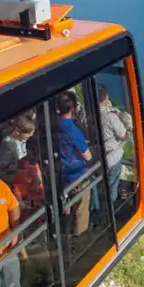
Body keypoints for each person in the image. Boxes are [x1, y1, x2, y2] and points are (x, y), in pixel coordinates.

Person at [55, 91, 92, 236]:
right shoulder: (73, 130)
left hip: (62, 173)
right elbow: (87, 156)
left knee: (67, 206)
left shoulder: (55, 125)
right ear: (73, 109)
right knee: (81, 210)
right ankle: (79, 237)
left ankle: (64, 231)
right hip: (77, 176)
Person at [95, 83, 133, 210]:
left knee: (97, 184)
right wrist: (128, 128)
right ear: (105, 98)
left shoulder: (84, 113)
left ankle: (96, 209)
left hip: (95, 158)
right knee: (112, 185)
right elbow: (123, 136)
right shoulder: (110, 117)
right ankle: (109, 210)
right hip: (112, 158)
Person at [0, 115, 36, 182]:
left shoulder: (21, 139)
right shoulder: (10, 143)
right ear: (17, 132)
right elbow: (21, 158)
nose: (31, 135)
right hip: (7, 175)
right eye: (29, 134)